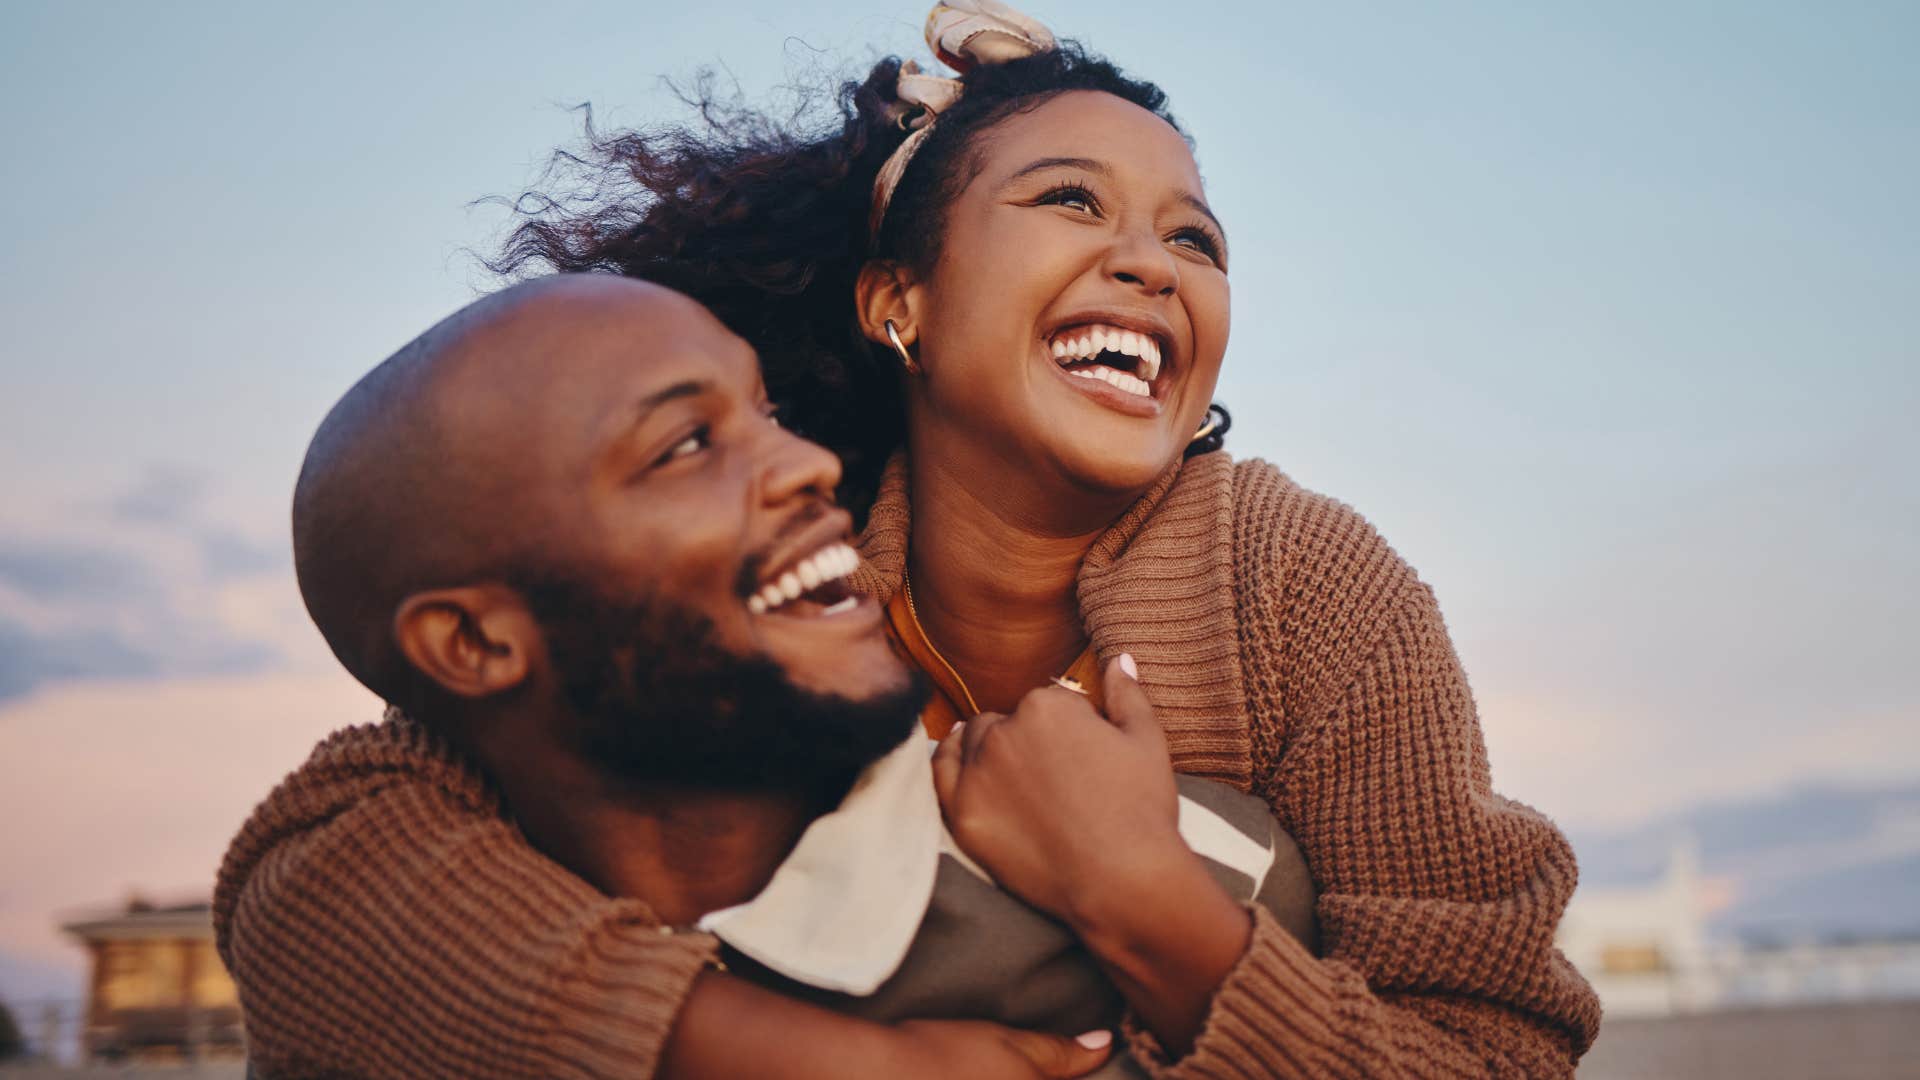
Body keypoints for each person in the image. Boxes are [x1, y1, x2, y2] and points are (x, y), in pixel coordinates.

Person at [223, 2, 1602, 1075]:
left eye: (1200, 240)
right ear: (901, 304)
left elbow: (1495, 1051)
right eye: (1071, 201)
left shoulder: (1303, 586)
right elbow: (322, 867)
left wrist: (1146, 899)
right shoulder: (774, 563)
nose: (1152, 263)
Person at [218, 273, 1316, 1079]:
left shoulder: (1202, 872)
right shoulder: (390, 957)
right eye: (686, 447)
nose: (808, 464)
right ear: (472, 647)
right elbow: (301, 872)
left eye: (769, 416)